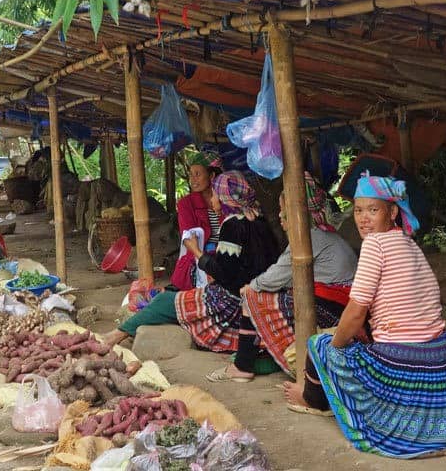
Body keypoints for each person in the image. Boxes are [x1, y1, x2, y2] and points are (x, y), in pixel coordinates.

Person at [282, 173, 446, 459]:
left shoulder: (375, 245)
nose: (363, 218)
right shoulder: (409, 244)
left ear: (392, 212)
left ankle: (311, 400)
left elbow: (354, 315)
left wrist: (333, 351)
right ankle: (433, 436)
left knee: (320, 345)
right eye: (358, 210)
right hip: (443, 361)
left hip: (406, 362)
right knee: (360, 341)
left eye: (373, 210)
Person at [104, 171, 279, 352]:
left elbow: (225, 274)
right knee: (174, 296)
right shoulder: (258, 220)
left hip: (232, 303)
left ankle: (114, 336)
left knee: (165, 301)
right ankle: (117, 335)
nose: (212, 198)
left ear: (224, 197)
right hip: (255, 297)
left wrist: (196, 251)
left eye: (214, 194)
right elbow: (244, 265)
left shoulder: (232, 225)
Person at [206, 172, 357, 382]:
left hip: (335, 307)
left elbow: (276, 275)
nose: (279, 216)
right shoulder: (324, 234)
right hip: (341, 304)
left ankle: (243, 366)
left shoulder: (309, 238)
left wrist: (251, 287)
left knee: (252, 298)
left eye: (283, 211)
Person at [169, 151, 224, 291]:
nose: (192, 179)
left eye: (197, 174)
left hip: (225, 257)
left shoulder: (226, 200)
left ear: (211, 175)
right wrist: (207, 262)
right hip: (198, 259)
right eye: (191, 175)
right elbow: (189, 239)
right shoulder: (186, 204)